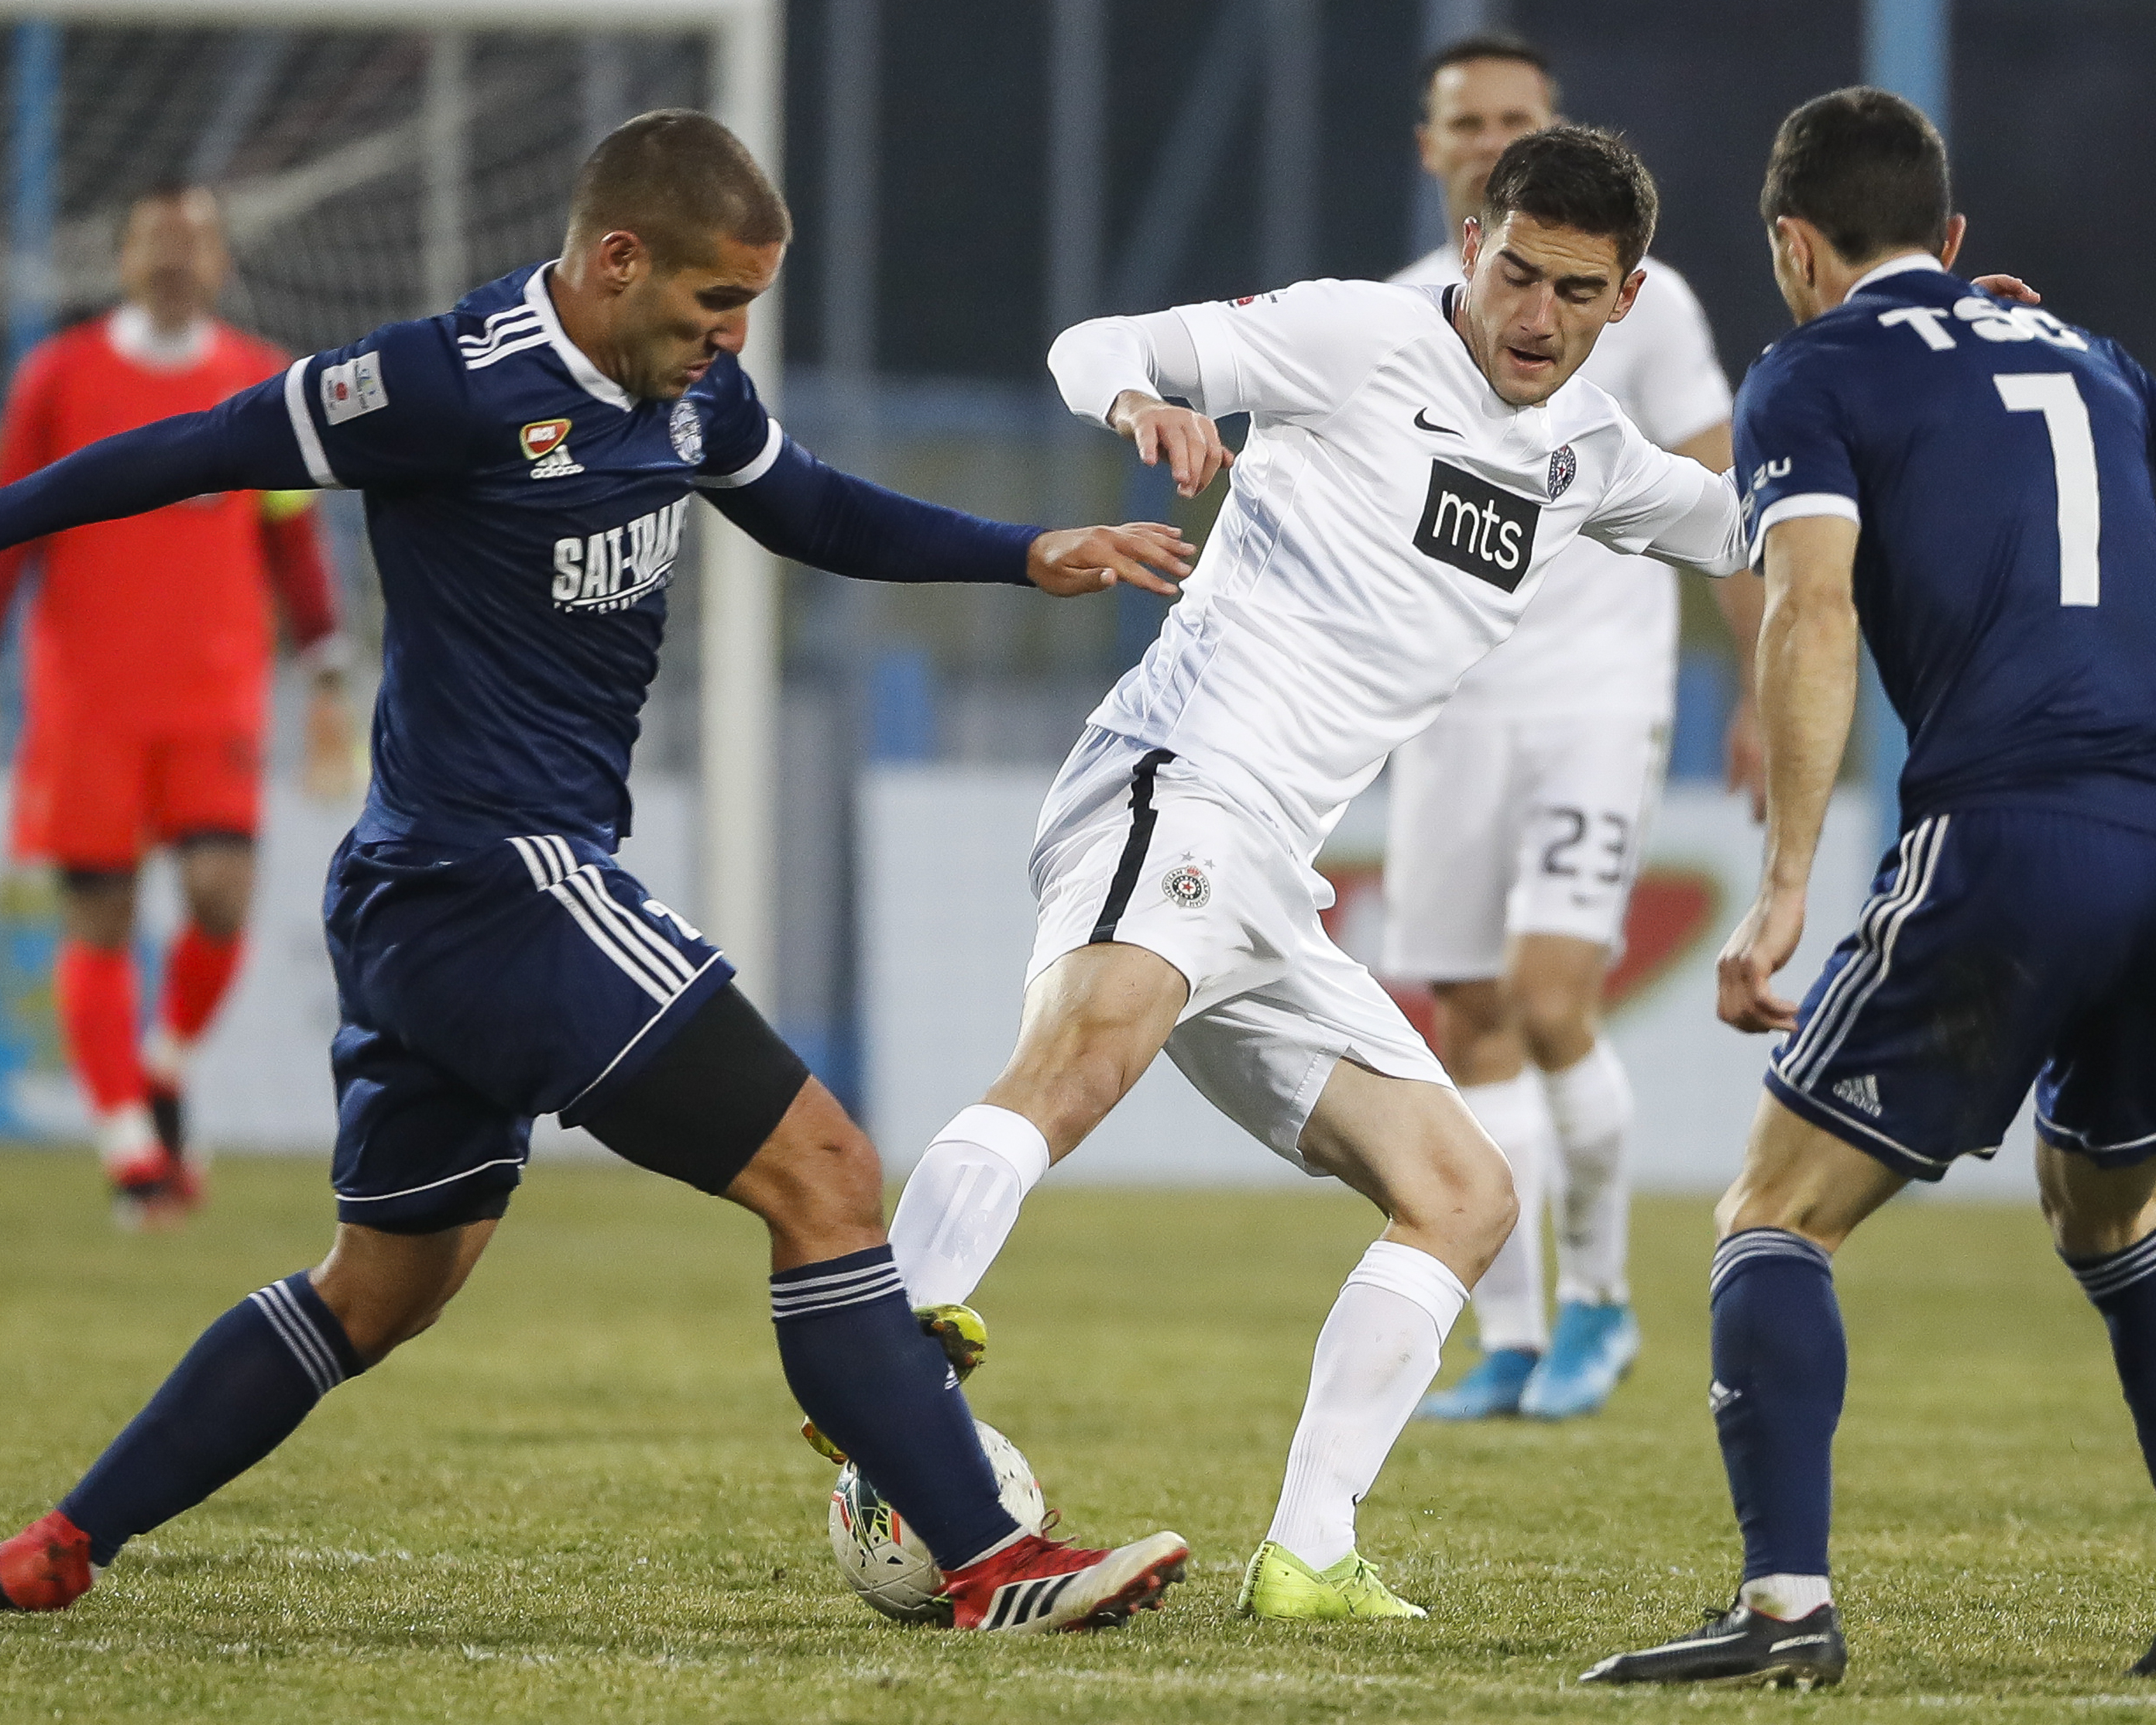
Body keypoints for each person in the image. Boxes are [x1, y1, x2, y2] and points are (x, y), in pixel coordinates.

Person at [0, 111, 1196, 1635]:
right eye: (709, 304)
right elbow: (210, 442)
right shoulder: (437, 382)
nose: (730, 338)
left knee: (379, 1288)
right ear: (618, 259)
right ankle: (989, 1563)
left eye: (747, 305)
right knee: (823, 1171)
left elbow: (806, 502)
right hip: (490, 878)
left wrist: (1028, 551)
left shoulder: (687, 391)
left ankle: (58, 1543)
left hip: (441, 899)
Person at [879, 125, 1749, 1622]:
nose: (1535, 315)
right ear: (1474, 244)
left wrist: (1921, 418)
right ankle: (876, 1362)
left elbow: (1752, 526)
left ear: (1629, 297)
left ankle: (1311, 1551)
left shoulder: (1589, 455)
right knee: (1083, 1060)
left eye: (1575, 291)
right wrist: (1147, 399)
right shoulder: (1355, 337)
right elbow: (1092, 342)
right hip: (1178, 779)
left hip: (1271, 874)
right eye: (1517, 271)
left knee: (1465, 1194)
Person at [1583, 88, 2156, 1689]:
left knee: (1776, 1206)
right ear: (1957, 241)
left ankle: (1783, 1612)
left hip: (2013, 827)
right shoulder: (2097, 363)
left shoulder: (1813, 369)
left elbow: (1810, 607)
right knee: (2111, 1209)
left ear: (1791, 245)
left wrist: (1782, 889)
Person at [1391, 33, 1763, 1423]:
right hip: (1448, 714)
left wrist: (1761, 683)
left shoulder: (1638, 309)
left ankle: (1602, 1303)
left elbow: (1722, 491)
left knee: (1553, 998)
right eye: (1467, 120)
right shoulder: (1391, 314)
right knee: (1473, 1016)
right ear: (1434, 151)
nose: (1491, 134)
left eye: (1517, 116)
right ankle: (1516, 1334)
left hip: (1596, 701)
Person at [0, 185, 355, 1227]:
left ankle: (163, 1067)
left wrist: (329, 668)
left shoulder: (262, 382)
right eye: (156, 241)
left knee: (221, 894)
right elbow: (3, 525)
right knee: (103, 916)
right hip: (87, 698)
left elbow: (291, 537)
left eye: (196, 243)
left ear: (220, 261)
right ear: (120, 253)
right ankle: (131, 1148)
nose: (176, 261)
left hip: (215, 691)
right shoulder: (59, 377)